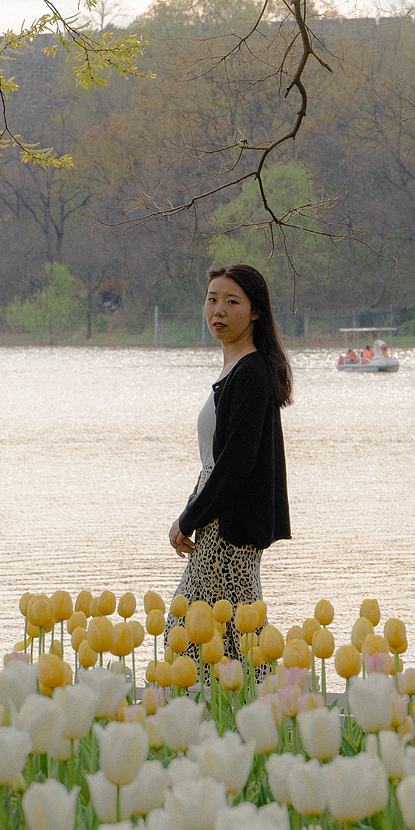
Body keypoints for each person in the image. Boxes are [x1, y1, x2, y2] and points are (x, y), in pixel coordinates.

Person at [167, 263, 292, 660]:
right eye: (212, 299)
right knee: (233, 634)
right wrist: (191, 510)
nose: (217, 311)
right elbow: (216, 461)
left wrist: (190, 519)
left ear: (255, 311)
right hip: (216, 518)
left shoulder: (251, 373)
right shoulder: (237, 370)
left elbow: (236, 464)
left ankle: (240, 711)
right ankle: (252, 712)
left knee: (200, 634)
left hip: (227, 528)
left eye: (231, 302)